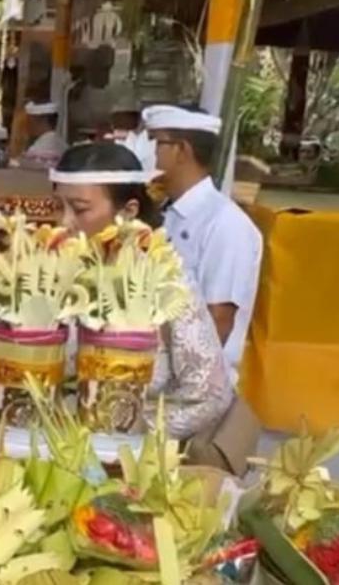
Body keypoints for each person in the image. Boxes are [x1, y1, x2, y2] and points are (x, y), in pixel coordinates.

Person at [0, 142, 233, 441]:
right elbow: (0, 332)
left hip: (123, 456)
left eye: (79, 209)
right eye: (58, 207)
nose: (64, 222)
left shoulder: (167, 283)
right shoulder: (49, 269)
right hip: (36, 442)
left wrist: (128, 431)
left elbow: (209, 395)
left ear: (128, 212)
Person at [143, 105, 263, 475]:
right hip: (160, 387)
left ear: (181, 150)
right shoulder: (167, 214)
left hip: (193, 400)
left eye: (157, 144)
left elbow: (218, 322)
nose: (153, 154)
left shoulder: (226, 225)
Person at [20, 101, 66, 169]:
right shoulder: (62, 144)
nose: (27, 124)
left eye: (29, 120)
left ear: (39, 120)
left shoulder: (40, 148)